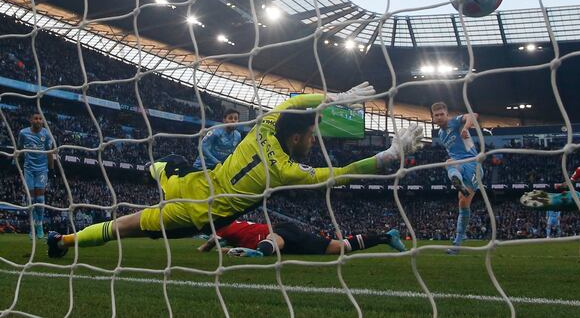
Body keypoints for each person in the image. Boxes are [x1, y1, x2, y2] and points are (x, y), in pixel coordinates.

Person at [48, 83, 424, 258]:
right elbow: (341, 173)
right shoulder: (288, 171)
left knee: (158, 165)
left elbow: (295, 100)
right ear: (296, 138)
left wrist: (333, 99)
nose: (314, 140)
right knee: (125, 226)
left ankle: (125, 162)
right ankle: (63, 243)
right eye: (312, 134)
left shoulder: (265, 124)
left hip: (188, 179)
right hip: (197, 211)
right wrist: (389, 155)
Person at [196, 220, 406, 257]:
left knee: (273, 240)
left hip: (280, 231)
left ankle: (261, 252)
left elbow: (208, 245)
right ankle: (386, 237)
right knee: (338, 247)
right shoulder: (233, 227)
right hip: (288, 241)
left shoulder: (222, 227)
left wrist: (205, 248)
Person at [430, 102, 481, 254]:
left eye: (442, 114)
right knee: (463, 203)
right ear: (433, 117)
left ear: (447, 114)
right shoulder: (440, 134)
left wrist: (465, 128)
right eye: (436, 115)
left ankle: (457, 181)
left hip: (472, 164)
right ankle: (457, 245)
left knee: (449, 163)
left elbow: (473, 115)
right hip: (459, 165)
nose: (439, 117)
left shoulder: (455, 121)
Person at [17, 112, 55, 239]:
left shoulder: (46, 134)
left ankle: (39, 227)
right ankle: (34, 227)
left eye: (40, 119)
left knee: (39, 199)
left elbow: (50, 152)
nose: (38, 120)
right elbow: (19, 149)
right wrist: (15, 162)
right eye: (36, 118)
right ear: (31, 120)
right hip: (28, 170)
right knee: (31, 200)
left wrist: (52, 169)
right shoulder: (23, 133)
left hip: (42, 170)